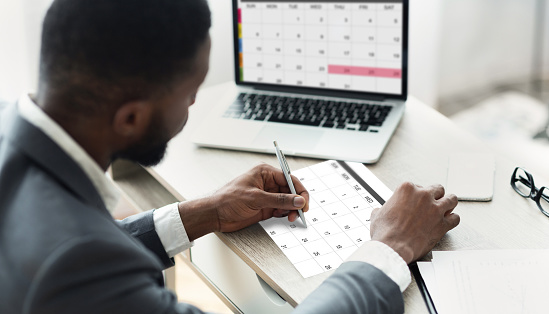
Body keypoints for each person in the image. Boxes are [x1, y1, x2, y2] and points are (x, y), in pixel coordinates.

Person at [0, 0, 460, 313]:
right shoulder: (75, 263)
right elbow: (80, 257)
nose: (195, 105)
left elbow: (80, 244)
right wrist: (388, 250)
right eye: (190, 93)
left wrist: (207, 212)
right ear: (131, 118)